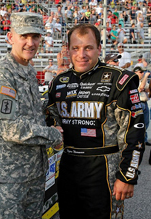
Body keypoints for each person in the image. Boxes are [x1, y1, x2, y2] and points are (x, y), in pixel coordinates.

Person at [46, 23, 145, 219]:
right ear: (68, 49)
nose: (81, 54)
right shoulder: (59, 82)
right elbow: (49, 118)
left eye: (88, 48)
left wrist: (127, 176)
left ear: (99, 48)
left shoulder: (120, 80)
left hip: (105, 169)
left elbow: (135, 131)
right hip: (69, 167)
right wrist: (52, 127)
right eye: (76, 48)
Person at [0, 12, 62, 219]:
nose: (30, 43)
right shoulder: (2, 74)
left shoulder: (28, 71)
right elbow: (10, 129)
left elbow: (33, 114)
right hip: (10, 181)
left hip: (34, 174)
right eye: (24, 36)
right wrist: (54, 135)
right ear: (10, 37)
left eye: (35, 37)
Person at [133, 66, 150, 146]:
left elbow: (148, 89)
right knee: (139, 123)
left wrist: (144, 88)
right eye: (141, 72)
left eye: (143, 72)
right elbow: (141, 88)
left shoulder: (143, 81)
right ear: (136, 72)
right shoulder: (134, 80)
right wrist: (146, 76)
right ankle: (138, 141)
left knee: (146, 123)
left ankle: (144, 140)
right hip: (138, 103)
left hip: (145, 103)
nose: (143, 73)